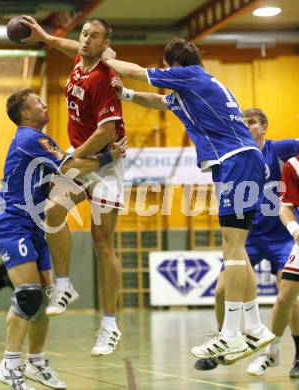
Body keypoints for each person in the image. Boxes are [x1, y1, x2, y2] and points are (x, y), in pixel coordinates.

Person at [100, 38, 275, 360]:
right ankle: (255, 327)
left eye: (166, 67)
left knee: (232, 249)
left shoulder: (190, 75)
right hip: (241, 162)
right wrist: (126, 95)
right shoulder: (197, 87)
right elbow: (160, 102)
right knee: (238, 250)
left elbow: (137, 72)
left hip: (236, 161)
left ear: (172, 64)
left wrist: (106, 59)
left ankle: (231, 335)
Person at [0, 88, 126, 390]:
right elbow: (71, 166)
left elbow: (66, 170)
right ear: (26, 113)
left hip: (35, 228)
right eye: (37, 102)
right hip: (14, 224)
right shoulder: (31, 138)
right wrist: (110, 156)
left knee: (41, 299)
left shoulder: (38, 141)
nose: (43, 104)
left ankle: (37, 362)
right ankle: (9, 364)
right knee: (28, 294)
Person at [20, 15, 125, 356]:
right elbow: (69, 47)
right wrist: (45, 36)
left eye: (94, 36)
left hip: (105, 163)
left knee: (102, 243)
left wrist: (71, 157)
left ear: (105, 44)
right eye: (84, 34)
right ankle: (63, 285)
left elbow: (107, 132)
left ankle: (109, 326)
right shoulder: (81, 60)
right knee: (52, 210)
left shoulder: (105, 77)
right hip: (80, 160)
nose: (85, 40)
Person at [192, 108, 299, 374]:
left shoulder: (280, 148)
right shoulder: (236, 152)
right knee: (220, 291)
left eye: (251, 122)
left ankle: (298, 356)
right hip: (248, 237)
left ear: (264, 127)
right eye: (243, 122)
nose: (246, 126)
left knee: (291, 298)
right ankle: (224, 341)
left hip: (280, 237)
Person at [251, 155, 299, 378]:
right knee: (285, 298)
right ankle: (273, 351)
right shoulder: (294, 165)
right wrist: (294, 230)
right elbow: (285, 207)